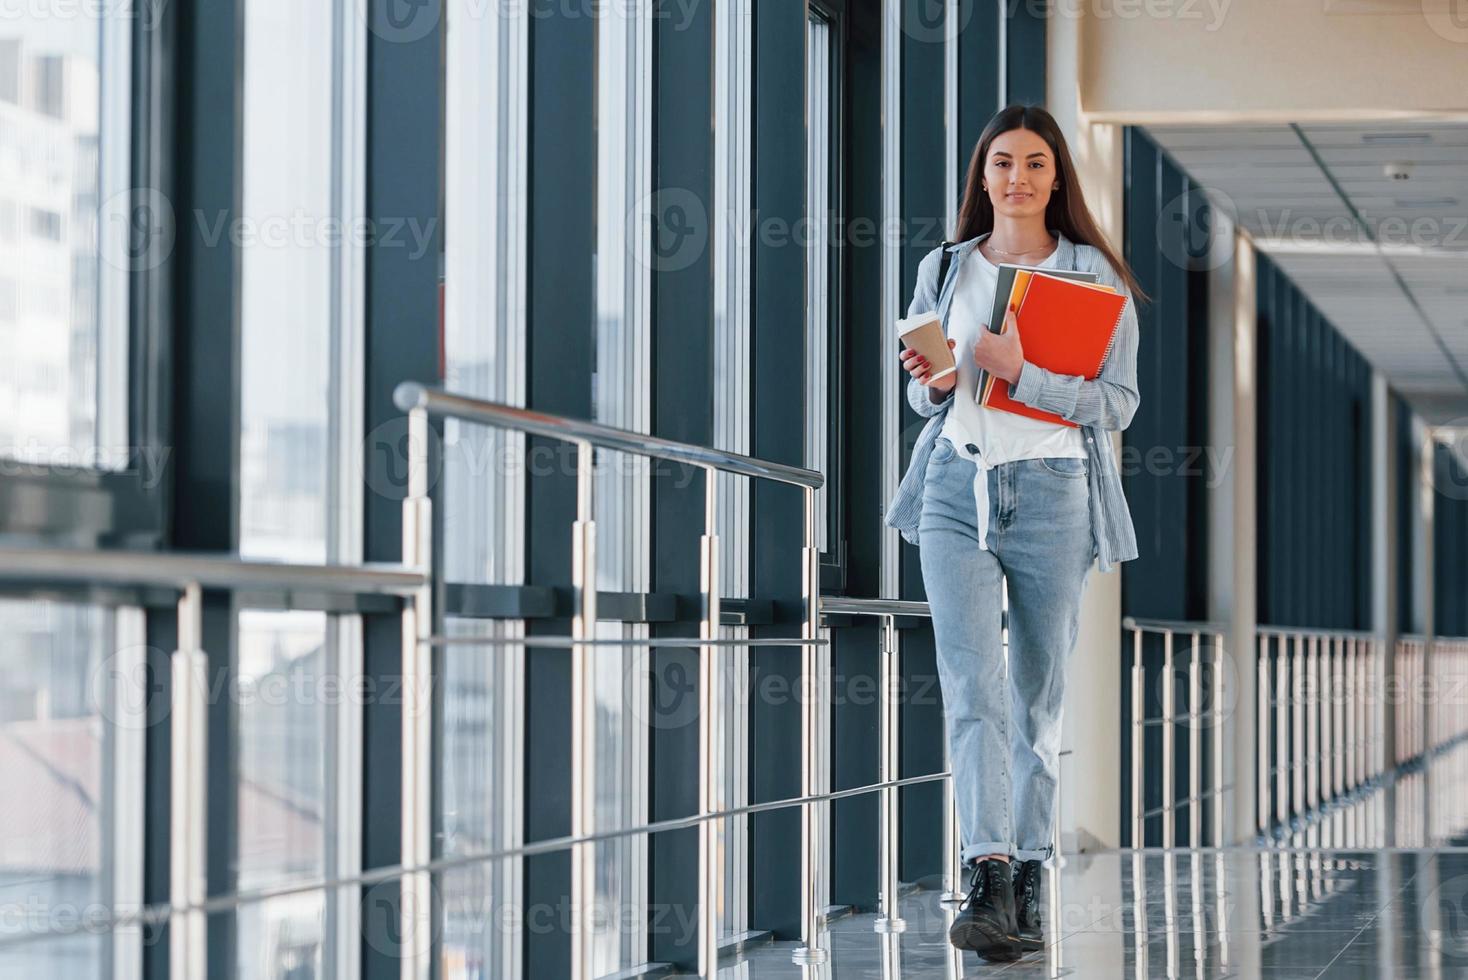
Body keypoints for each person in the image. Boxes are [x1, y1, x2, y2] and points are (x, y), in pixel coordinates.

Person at [885, 104, 1149, 962]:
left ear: (1057, 177)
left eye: (1035, 163)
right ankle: (987, 871)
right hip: (956, 487)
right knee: (971, 688)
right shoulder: (945, 267)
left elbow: (1116, 405)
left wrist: (1021, 374)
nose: (1017, 178)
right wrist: (936, 378)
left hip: (1053, 494)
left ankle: (1031, 871)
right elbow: (929, 395)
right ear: (983, 176)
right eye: (1002, 163)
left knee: (1035, 697)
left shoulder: (1094, 279)